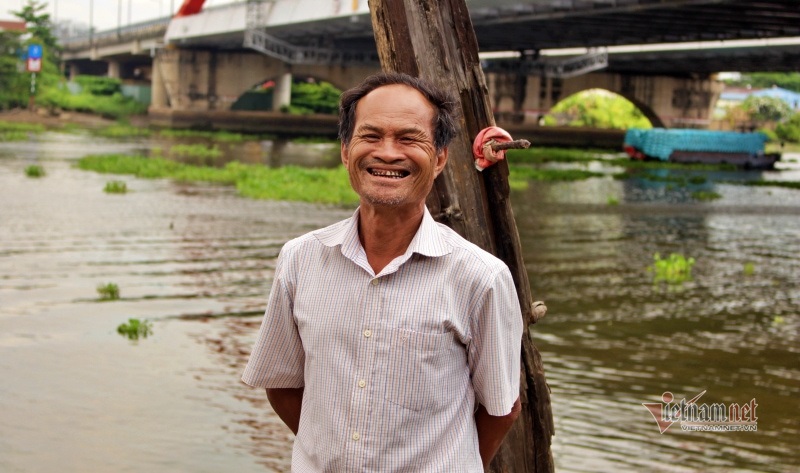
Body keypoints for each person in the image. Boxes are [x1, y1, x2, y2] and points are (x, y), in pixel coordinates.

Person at [242, 72, 523, 472]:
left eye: (409, 139)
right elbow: (282, 383)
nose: (388, 153)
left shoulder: (480, 278)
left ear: (440, 158)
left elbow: (502, 410)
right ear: (346, 151)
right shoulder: (300, 260)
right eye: (370, 136)